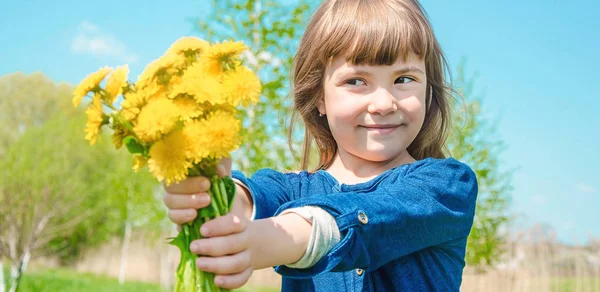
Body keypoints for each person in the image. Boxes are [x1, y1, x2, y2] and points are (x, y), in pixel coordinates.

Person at [163, 0, 478, 290]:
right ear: (318, 97)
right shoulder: (293, 189)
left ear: (428, 89)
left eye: (404, 79)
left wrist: (271, 240)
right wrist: (210, 196)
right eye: (356, 81)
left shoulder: (447, 187)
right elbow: (248, 199)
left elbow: (370, 217)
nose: (383, 103)